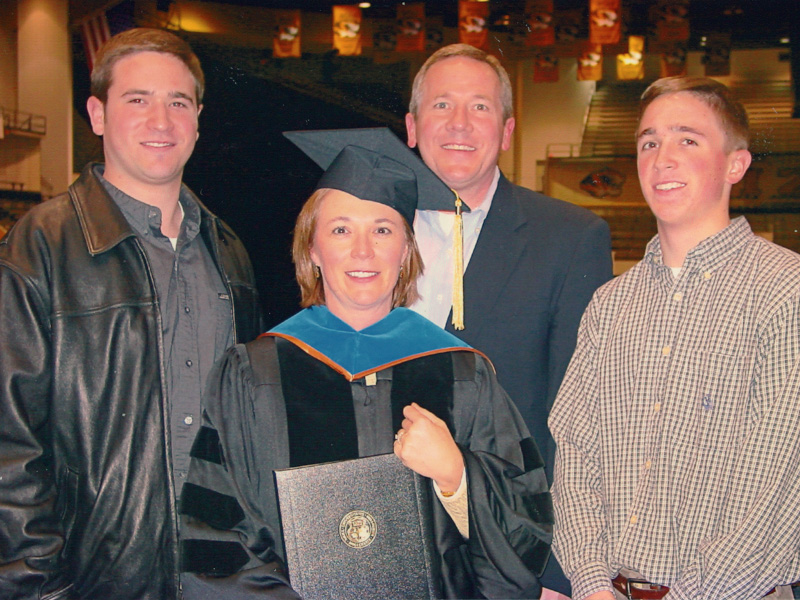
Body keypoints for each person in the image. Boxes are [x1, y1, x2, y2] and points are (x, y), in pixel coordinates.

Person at [179, 128, 554, 599]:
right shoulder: (253, 375)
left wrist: (458, 476)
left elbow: (525, 527)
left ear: (406, 252)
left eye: (382, 230)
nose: (362, 251)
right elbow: (216, 536)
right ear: (312, 249)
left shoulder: (462, 373)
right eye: (340, 230)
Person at [0, 28, 262, 599]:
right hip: (94, 578)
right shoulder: (39, 248)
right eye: (137, 100)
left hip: (221, 577)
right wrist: (39, 589)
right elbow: (9, 443)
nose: (160, 121)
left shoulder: (230, 253)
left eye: (178, 102)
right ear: (96, 114)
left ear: (198, 119)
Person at [549, 76, 800, 600]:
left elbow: (777, 484)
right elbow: (575, 454)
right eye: (648, 142)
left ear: (736, 164)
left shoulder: (784, 290)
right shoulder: (610, 305)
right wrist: (592, 583)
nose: (662, 158)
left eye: (688, 139)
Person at [404, 43, 613, 595]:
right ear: (411, 125)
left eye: (480, 107)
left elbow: (577, 423)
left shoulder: (569, 238)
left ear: (507, 129)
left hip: (509, 550)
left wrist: (555, 570)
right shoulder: (367, 234)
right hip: (390, 540)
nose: (460, 124)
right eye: (442, 105)